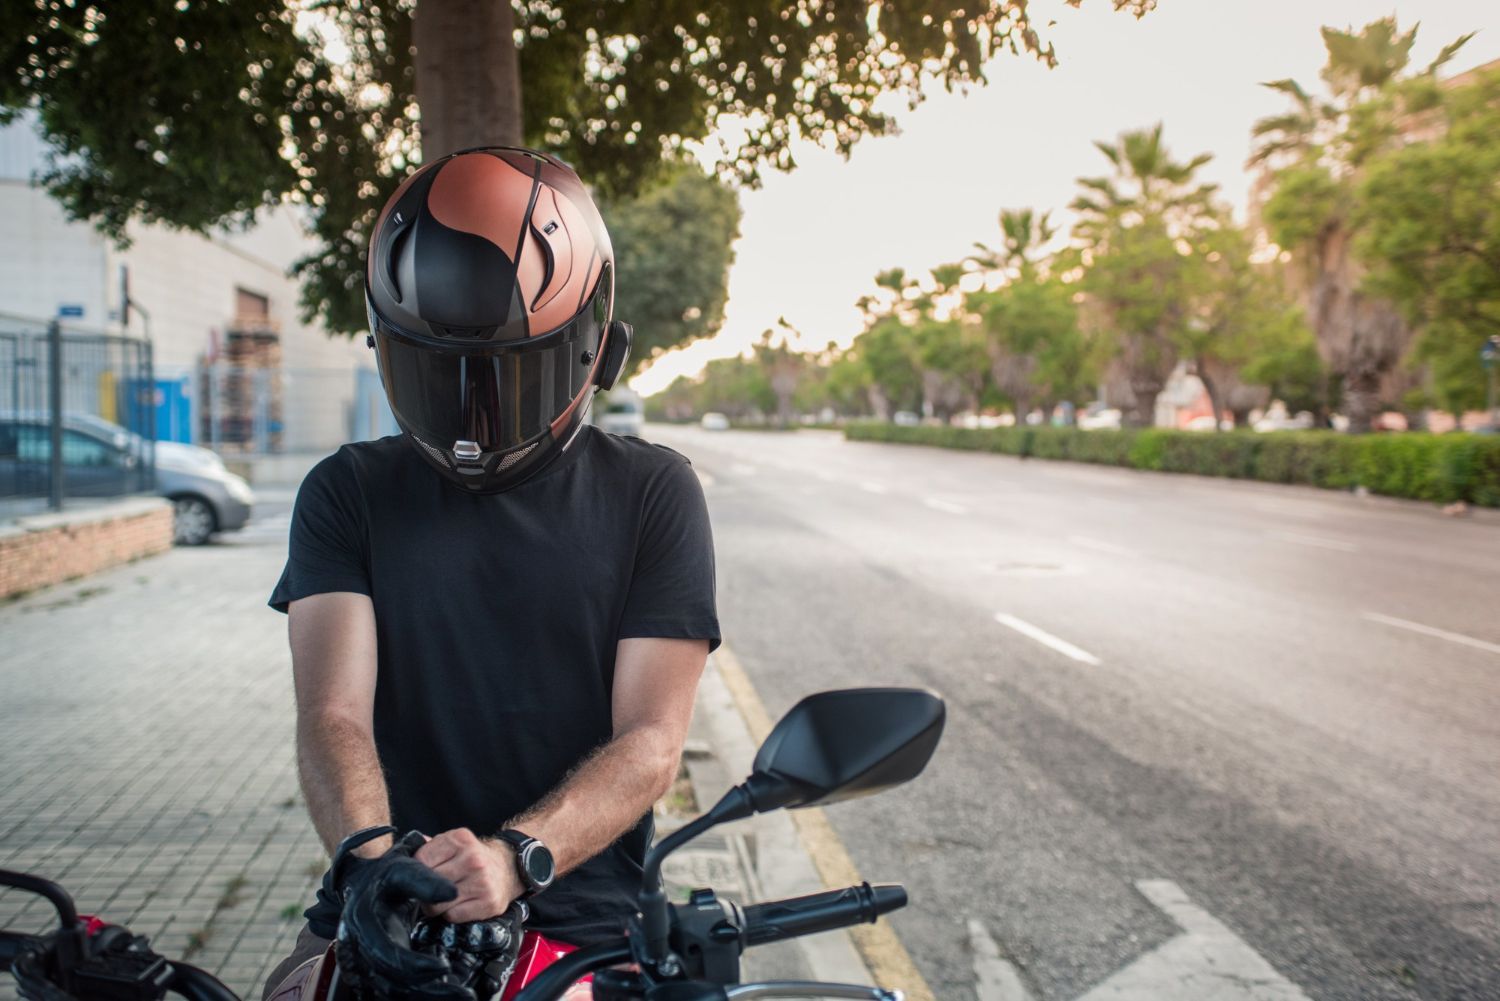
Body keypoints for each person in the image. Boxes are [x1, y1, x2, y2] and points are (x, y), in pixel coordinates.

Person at [262, 146, 719, 999]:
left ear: (595, 349)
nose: (471, 418)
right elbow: (332, 713)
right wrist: (372, 865)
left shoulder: (655, 492)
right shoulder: (345, 491)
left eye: (506, 378)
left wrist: (517, 857)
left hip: (578, 907)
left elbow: (652, 741)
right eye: (437, 375)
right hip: (382, 899)